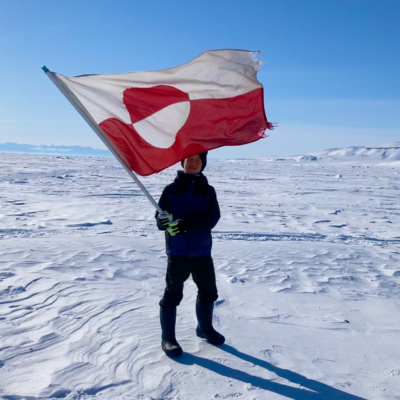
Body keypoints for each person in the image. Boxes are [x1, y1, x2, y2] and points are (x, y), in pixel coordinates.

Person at [155, 152, 225, 357]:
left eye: (198, 160)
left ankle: (204, 328)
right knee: (173, 294)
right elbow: (160, 220)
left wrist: (188, 225)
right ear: (183, 162)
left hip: (202, 251)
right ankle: (168, 338)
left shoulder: (208, 191)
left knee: (208, 291)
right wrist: (165, 222)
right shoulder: (170, 190)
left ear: (203, 163)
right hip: (177, 252)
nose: (193, 163)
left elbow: (213, 217)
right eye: (190, 159)